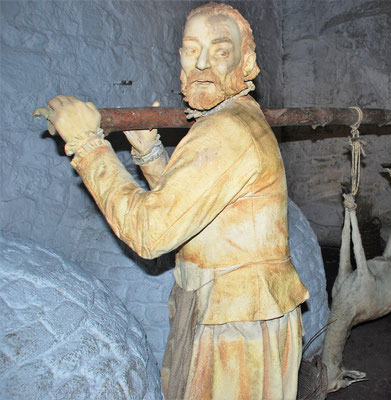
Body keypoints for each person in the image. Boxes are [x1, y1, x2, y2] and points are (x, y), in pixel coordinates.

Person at [37, 3, 309, 399]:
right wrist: (150, 156)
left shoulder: (225, 131)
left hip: (237, 327)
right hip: (230, 310)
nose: (200, 64)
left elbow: (151, 233)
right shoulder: (232, 118)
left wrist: (87, 145)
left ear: (246, 62)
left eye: (219, 51)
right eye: (190, 49)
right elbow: (197, 209)